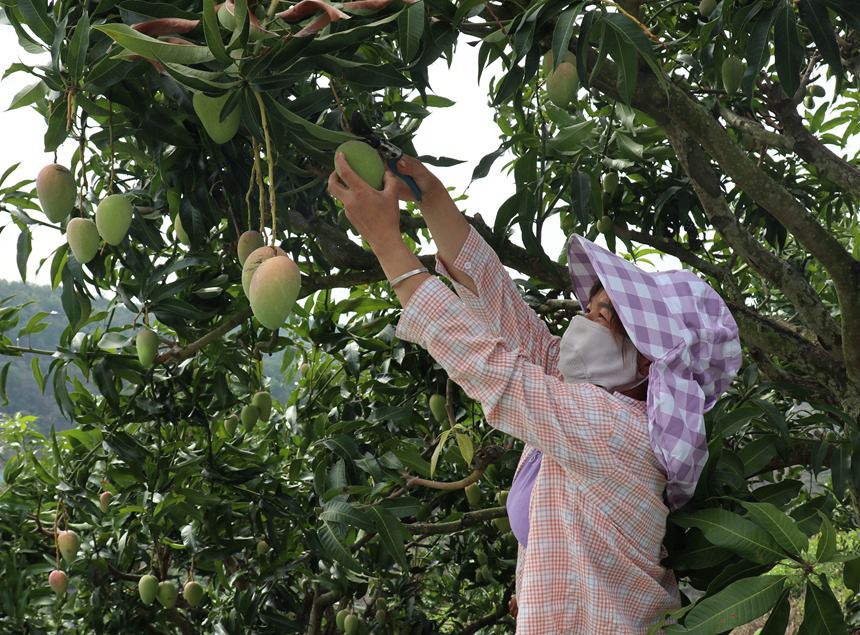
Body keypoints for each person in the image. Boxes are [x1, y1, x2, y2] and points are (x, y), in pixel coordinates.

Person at [327, 151, 742, 633]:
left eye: (606, 314)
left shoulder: (608, 427)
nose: (585, 319)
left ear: (652, 361)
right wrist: (430, 196)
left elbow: (495, 371)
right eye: (590, 307)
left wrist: (384, 242)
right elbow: (499, 304)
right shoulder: (597, 399)